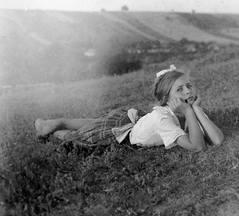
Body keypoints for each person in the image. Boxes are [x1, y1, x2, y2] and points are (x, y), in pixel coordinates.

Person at [35, 64, 224, 151]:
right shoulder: (164, 119)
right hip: (124, 135)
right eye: (180, 89)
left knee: (99, 122)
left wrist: (197, 110)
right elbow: (197, 147)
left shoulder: (188, 107)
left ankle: (57, 122)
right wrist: (190, 112)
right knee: (82, 136)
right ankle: (54, 128)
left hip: (136, 121)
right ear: (166, 99)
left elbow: (217, 140)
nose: (188, 92)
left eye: (189, 86)